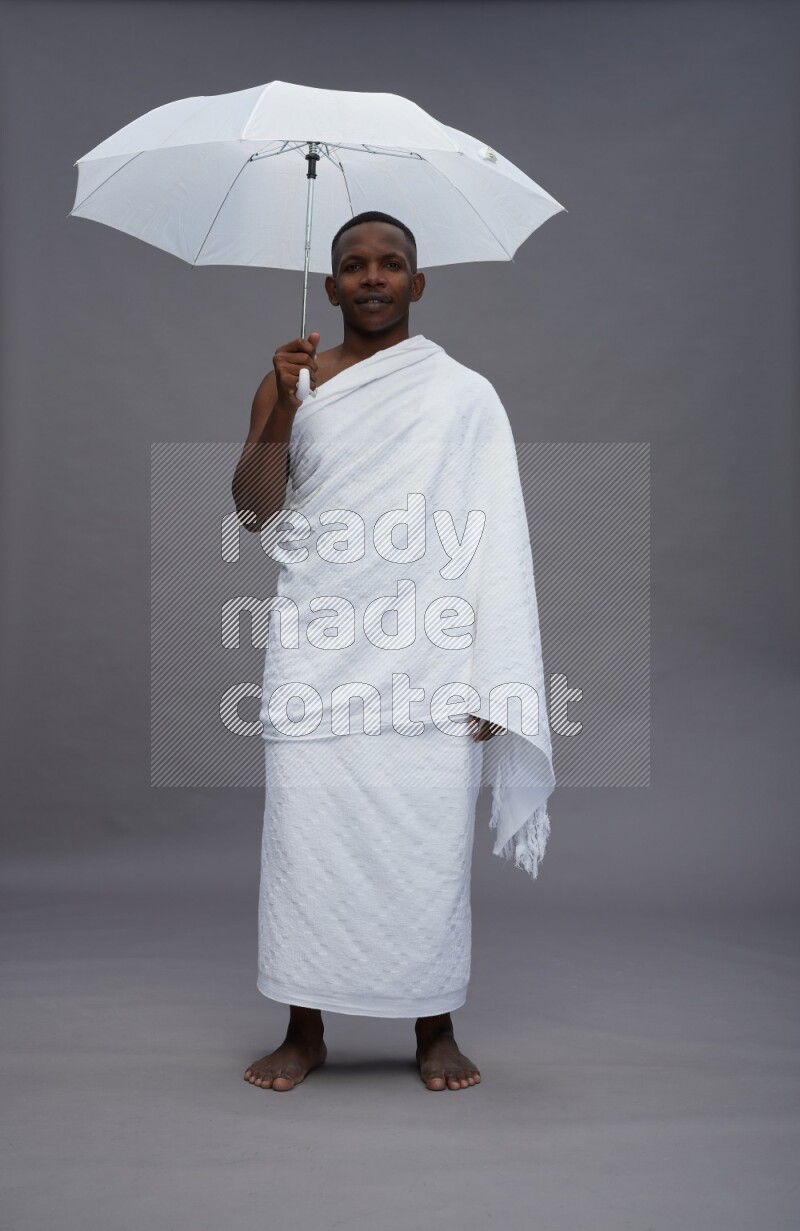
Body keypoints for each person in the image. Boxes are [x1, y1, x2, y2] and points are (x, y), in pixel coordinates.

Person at [231, 211, 547, 1092]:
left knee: (425, 833)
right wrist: (283, 410)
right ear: (328, 287)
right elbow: (255, 509)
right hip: (319, 647)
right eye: (354, 265)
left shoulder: (465, 395)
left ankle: (433, 1022)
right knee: (307, 834)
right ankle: (304, 1026)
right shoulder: (293, 383)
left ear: (418, 282)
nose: (373, 277)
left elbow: (493, 537)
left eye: (392, 263)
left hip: (428, 655)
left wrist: (491, 671)